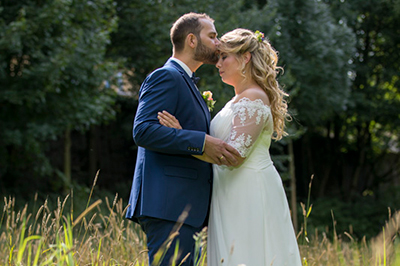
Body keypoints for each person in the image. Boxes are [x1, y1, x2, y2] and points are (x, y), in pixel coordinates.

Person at [158, 29, 302, 265]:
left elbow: (234, 156)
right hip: (229, 190)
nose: (218, 63)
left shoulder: (254, 97)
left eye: (224, 57)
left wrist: (182, 137)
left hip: (249, 190)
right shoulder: (238, 99)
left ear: (245, 58)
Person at [125, 13, 241, 266]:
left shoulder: (185, 81)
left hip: (185, 207)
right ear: (191, 39)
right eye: (212, 36)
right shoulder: (165, 76)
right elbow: (143, 130)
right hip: (169, 205)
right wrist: (201, 142)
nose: (218, 42)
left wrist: (185, 134)